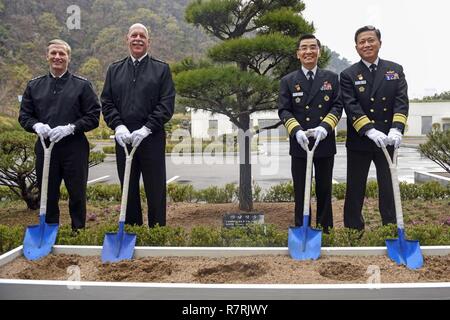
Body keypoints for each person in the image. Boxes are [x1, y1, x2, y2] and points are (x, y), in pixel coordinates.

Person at [18, 39, 101, 231]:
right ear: (47, 56)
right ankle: (49, 232)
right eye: (53, 53)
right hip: (46, 149)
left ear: (68, 58)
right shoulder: (34, 86)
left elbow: (93, 116)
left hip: (75, 148)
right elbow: (24, 116)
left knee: (77, 194)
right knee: (47, 194)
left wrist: (71, 127)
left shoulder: (82, 86)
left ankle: (78, 231)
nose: (57, 57)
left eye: (62, 54)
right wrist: (36, 125)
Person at [101, 23, 175, 227]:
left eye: (142, 36)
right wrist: (118, 126)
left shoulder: (161, 69)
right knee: (128, 187)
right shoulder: (114, 70)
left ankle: (157, 232)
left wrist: (147, 128)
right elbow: (106, 102)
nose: (138, 39)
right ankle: (133, 232)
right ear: (127, 39)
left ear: (148, 42)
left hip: (151, 138)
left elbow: (166, 104)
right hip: (124, 140)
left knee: (156, 189)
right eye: (134, 35)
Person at [340, 26, 409, 230]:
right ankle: (353, 231)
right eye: (362, 42)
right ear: (356, 47)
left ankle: (390, 229)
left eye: (371, 40)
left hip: (387, 140)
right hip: (360, 140)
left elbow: (401, 101)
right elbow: (350, 105)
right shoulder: (348, 74)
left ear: (380, 42)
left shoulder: (395, 70)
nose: (367, 45)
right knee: (355, 188)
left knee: (388, 188)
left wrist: (397, 128)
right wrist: (369, 129)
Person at [278, 34, 343, 232]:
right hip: (300, 144)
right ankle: (302, 229)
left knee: (324, 190)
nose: (308, 51)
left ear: (319, 52)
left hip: (324, 143)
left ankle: (326, 232)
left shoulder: (331, 78)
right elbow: (284, 109)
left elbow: (337, 105)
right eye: (304, 48)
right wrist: (296, 130)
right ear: (298, 54)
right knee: (301, 191)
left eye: (312, 47)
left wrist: (325, 127)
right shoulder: (288, 81)